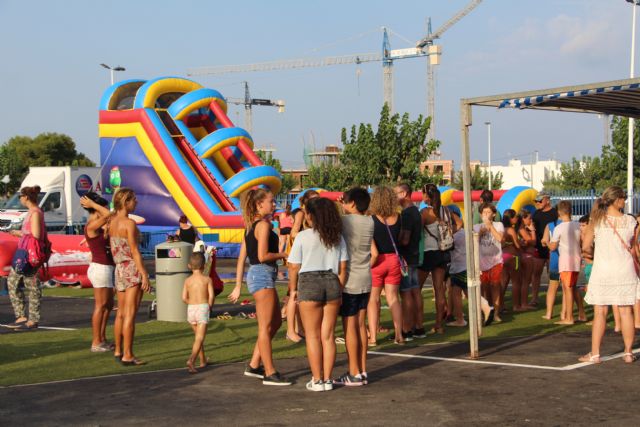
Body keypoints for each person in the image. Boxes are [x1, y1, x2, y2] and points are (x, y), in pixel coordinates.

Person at [229, 188, 291, 386]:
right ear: (259, 205)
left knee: (276, 322)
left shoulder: (250, 226)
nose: (274, 205)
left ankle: (255, 364)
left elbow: (241, 259)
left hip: (260, 274)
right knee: (265, 327)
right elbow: (263, 256)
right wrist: (283, 255)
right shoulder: (262, 226)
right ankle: (270, 372)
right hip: (262, 274)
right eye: (271, 202)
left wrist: (239, 284)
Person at [288, 197, 348, 391]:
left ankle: (317, 379)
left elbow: (293, 266)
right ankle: (328, 379)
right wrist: (339, 287)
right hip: (331, 281)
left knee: (312, 336)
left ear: (311, 215)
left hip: (309, 281)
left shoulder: (303, 236)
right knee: (328, 336)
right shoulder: (337, 236)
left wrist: (293, 289)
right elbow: (343, 267)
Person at [580, 186, 638, 364]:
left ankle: (595, 353)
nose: (625, 201)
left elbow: (585, 246)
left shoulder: (596, 220)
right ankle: (628, 352)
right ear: (617, 199)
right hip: (624, 269)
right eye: (623, 198)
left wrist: (593, 253)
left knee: (600, 312)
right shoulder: (630, 221)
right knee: (626, 311)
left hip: (603, 269)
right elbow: (633, 246)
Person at [109, 188, 151, 365]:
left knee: (121, 314)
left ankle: (118, 350)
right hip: (131, 269)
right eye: (134, 200)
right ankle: (128, 354)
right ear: (126, 202)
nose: (136, 203)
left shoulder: (112, 222)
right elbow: (134, 251)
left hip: (119, 269)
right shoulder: (129, 224)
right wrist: (144, 274)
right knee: (130, 315)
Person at [337, 187, 374, 386]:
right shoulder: (369, 221)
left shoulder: (346, 221)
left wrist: (339, 205)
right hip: (365, 277)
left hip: (350, 279)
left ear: (351, 203)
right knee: (361, 325)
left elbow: (334, 220)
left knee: (349, 326)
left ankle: (353, 372)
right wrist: (345, 203)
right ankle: (362, 369)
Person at [5, 186, 45, 331]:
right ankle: (25, 317)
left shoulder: (34, 212)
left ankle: (29, 318)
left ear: (26, 197)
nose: (20, 199)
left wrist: (19, 233)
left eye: (20, 196)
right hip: (27, 253)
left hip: (29, 255)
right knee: (20, 284)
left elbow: (35, 234)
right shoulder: (33, 212)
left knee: (28, 285)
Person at [368, 186, 404, 344]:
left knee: (373, 299)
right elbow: (401, 239)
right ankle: (399, 335)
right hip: (394, 260)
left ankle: (373, 337)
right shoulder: (398, 217)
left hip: (377, 261)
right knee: (393, 298)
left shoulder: (371, 218)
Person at [80, 193, 115, 352]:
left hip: (106, 267)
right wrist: (94, 205)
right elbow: (110, 214)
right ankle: (96, 342)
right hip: (100, 268)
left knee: (108, 305)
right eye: (101, 208)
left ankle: (102, 338)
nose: (104, 211)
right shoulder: (92, 225)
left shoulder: (99, 226)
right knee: (101, 306)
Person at [448, 211, 495, 327]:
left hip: (459, 267)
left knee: (458, 292)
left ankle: (483, 308)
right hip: (467, 265)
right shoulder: (465, 233)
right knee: (465, 292)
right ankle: (481, 309)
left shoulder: (454, 235)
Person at [418, 184, 453, 334]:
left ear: (427, 195)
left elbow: (417, 230)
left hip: (428, 252)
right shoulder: (445, 210)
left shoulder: (425, 213)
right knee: (440, 289)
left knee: (416, 289)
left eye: (423, 193)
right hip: (443, 251)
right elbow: (459, 223)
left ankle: (417, 323)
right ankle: (439, 325)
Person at [285, 191, 319, 343]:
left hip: (305, 258)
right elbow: (293, 233)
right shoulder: (301, 214)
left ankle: (300, 328)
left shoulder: (314, 215)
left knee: (300, 296)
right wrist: (306, 236)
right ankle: (290, 330)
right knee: (294, 294)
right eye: (314, 200)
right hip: (297, 258)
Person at [546, 200, 585, 325]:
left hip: (566, 261)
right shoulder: (578, 225)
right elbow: (582, 241)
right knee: (572, 287)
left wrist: (545, 241)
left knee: (567, 289)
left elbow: (552, 247)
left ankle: (569, 317)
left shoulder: (559, 227)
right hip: (576, 259)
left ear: (559, 212)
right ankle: (581, 314)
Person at [396, 183, 426, 341]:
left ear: (405, 193)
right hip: (415, 256)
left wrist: (395, 243)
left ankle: (407, 329)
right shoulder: (416, 211)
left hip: (406, 258)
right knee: (415, 292)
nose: (396, 197)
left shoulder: (407, 214)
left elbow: (405, 239)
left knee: (406, 292)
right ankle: (419, 327)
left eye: (397, 193)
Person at [182, 252, 214, 374]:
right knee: (200, 338)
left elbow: (184, 298)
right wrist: (209, 307)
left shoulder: (187, 281)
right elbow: (211, 296)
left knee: (197, 338)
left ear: (189, 266)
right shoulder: (207, 279)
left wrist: (192, 303)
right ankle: (191, 360)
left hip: (191, 308)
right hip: (202, 307)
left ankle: (203, 360)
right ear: (204, 266)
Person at [473, 203, 505, 323]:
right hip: (481, 262)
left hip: (496, 260)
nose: (486, 215)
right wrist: (481, 231)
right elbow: (473, 241)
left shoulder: (499, 224)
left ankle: (496, 312)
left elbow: (500, 239)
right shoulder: (476, 227)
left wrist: (490, 226)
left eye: (488, 212)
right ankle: (485, 311)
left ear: (494, 214)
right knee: (483, 287)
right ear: (480, 214)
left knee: (495, 285)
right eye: (484, 212)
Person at [531, 191, 558, 306]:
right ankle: (534, 298)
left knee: (551, 274)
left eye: (540, 201)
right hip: (539, 247)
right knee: (536, 273)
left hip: (551, 247)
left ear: (547, 200)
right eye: (536, 201)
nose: (537, 203)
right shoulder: (536, 214)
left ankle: (551, 297)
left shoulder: (555, 213)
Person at [541, 216, 563, 320]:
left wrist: (547, 243)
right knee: (568, 289)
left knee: (552, 287)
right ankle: (565, 313)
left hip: (555, 259)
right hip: (569, 259)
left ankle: (549, 313)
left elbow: (544, 241)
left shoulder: (550, 225)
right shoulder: (573, 224)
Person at [517, 209, 537, 311]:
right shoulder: (521, 229)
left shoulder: (521, 228)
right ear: (523, 218)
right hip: (527, 256)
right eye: (529, 218)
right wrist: (533, 230)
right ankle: (524, 303)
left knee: (523, 281)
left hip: (525, 255)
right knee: (526, 280)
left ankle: (521, 302)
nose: (531, 220)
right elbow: (533, 242)